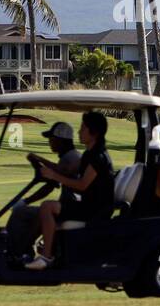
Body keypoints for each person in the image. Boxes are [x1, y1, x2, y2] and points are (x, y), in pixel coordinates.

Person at [25, 111, 116, 270]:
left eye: (83, 128)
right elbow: (64, 171)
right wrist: (40, 160)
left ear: (93, 132)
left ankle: (46, 257)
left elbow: (82, 185)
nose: (79, 132)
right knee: (49, 206)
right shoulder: (90, 153)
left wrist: (53, 175)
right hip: (88, 206)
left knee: (47, 206)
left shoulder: (98, 157)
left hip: (94, 211)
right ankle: (48, 251)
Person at [5, 122, 81, 259]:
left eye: (52, 138)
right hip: (66, 206)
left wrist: (39, 159)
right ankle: (22, 249)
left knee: (23, 213)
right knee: (23, 212)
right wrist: (25, 201)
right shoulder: (69, 156)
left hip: (70, 208)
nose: (49, 141)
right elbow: (51, 183)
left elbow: (56, 174)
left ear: (61, 140)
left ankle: (18, 251)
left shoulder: (71, 158)